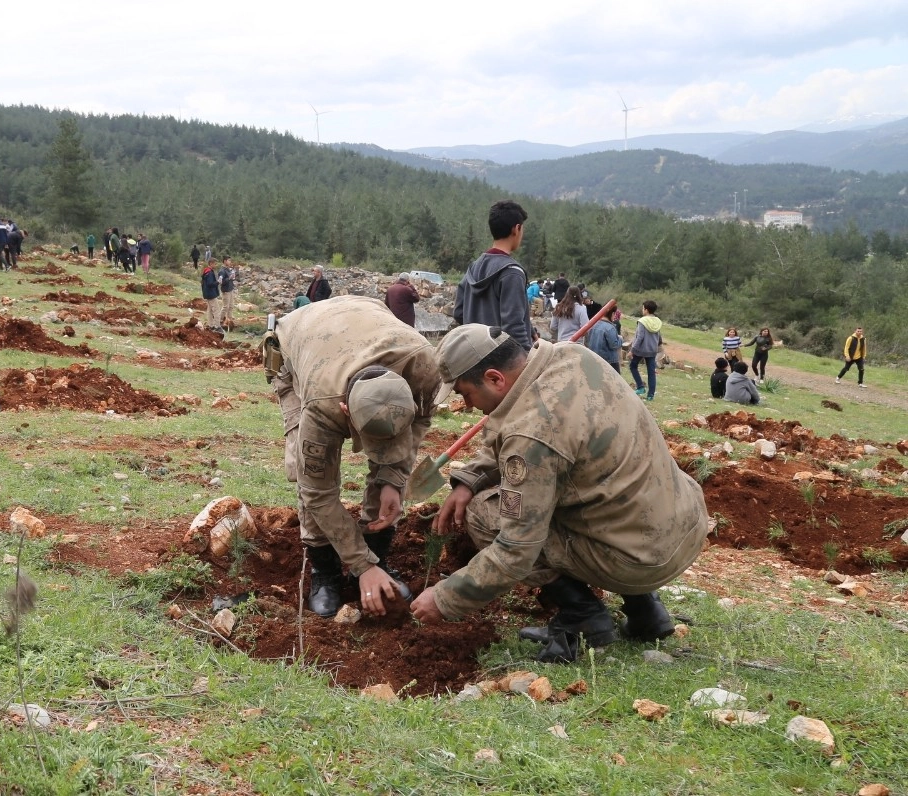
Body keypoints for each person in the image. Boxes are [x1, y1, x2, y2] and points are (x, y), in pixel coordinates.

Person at [409, 325, 708, 663]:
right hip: (681, 524)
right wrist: (470, 478)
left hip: (637, 560)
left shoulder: (532, 433)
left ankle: (582, 615)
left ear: (494, 379)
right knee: (589, 490)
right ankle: (646, 610)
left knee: (484, 514)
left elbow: (515, 549)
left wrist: (446, 598)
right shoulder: (571, 356)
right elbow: (519, 429)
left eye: (465, 394)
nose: (468, 405)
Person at [271, 296, 444, 618]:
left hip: (361, 322)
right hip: (297, 345)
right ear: (346, 412)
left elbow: (418, 422)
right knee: (309, 472)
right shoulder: (323, 404)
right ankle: (325, 571)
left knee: (391, 471)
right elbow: (318, 493)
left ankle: (378, 554)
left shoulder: (426, 370)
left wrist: (392, 479)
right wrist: (362, 564)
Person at [454, 200, 535, 350]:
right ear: (516, 229)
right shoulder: (512, 272)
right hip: (502, 363)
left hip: (473, 355)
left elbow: (459, 312)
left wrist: (530, 329)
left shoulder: (473, 268)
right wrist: (527, 359)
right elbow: (513, 326)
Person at [629, 300, 662, 401]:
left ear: (646, 310)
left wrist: (632, 350)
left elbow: (640, 337)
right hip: (652, 350)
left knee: (633, 366)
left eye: (643, 308)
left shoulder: (642, 321)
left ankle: (640, 387)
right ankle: (650, 395)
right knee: (651, 372)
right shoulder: (657, 321)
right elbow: (659, 336)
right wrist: (659, 345)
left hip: (641, 349)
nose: (642, 310)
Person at [585, 305, 622, 371]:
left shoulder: (593, 325)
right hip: (609, 361)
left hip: (594, 358)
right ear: (613, 313)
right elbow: (614, 345)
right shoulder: (610, 328)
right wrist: (620, 339)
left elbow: (587, 340)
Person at [200, 259, 222, 332]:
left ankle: (211, 325)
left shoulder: (206, 271)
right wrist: (218, 282)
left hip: (207, 293)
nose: (215, 265)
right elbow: (210, 284)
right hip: (211, 294)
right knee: (216, 310)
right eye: (215, 264)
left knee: (209, 310)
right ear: (211, 263)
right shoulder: (209, 273)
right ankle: (217, 326)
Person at [218, 256, 236, 328]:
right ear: (224, 261)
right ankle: (219, 320)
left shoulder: (228, 269)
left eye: (230, 260)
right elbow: (221, 282)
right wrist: (229, 278)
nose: (230, 262)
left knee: (231, 306)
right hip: (226, 290)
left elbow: (230, 278)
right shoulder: (222, 270)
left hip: (230, 289)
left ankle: (229, 320)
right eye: (228, 260)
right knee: (225, 306)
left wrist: (232, 277)